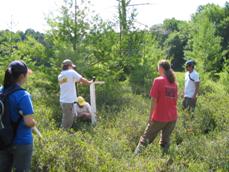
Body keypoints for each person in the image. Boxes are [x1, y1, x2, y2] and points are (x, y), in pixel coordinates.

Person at [134, 60, 178, 155]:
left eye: (158, 67)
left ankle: (134, 159)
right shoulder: (174, 83)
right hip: (172, 118)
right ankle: (165, 161)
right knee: (165, 142)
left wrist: (150, 118)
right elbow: (175, 101)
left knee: (144, 140)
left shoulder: (158, 80)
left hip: (160, 117)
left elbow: (153, 100)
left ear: (161, 68)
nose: (157, 69)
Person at [0, 60, 36, 172]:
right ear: (22, 76)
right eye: (26, 75)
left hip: (3, 139)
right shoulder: (23, 95)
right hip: (21, 142)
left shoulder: (1, 91)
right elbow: (28, 122)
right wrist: (34, 122)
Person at [58, 59, 92, 129]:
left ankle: (65, 132)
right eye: (72, 66)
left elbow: (72, 81)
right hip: (68, 101)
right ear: (69, 66)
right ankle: (63, 133)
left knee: (68, 117)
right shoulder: (71, 72)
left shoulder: (61, 75)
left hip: (63, 100)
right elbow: (81, 79)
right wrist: (89, 82)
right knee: (68, 119)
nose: (73, 68)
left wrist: (80, 81)